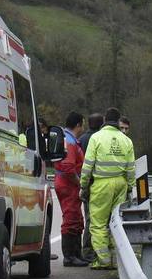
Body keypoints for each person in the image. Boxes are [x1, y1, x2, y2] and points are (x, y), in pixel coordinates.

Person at [79, 107, 136, 270]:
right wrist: (130, 186)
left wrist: (84, 185)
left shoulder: (96, 137)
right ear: (118, 122)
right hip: (121, 184)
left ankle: (104, 259)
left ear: (105, 120)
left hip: (102, 184)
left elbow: (87, 165)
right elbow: (131, 168)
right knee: (115, 222)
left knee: (98, 223)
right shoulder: (126, 140)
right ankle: (116, 258)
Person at [54, 112, 87, 267]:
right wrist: (79, 182)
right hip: (69, 185)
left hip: (67, 183)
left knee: (77, 219)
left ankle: (77, 254)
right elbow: (68, 167)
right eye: (82, 124)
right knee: (71, 219)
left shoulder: (69, 139)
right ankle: (69, 257)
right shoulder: (70, 141)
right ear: (79, 124)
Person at [78, 112, 105, 262]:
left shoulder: (80, 140)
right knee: (99, 219)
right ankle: (92, 251)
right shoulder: (99, 139)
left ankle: (87, 249)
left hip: (86, 183)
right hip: (98, 184)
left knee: (89, 217)